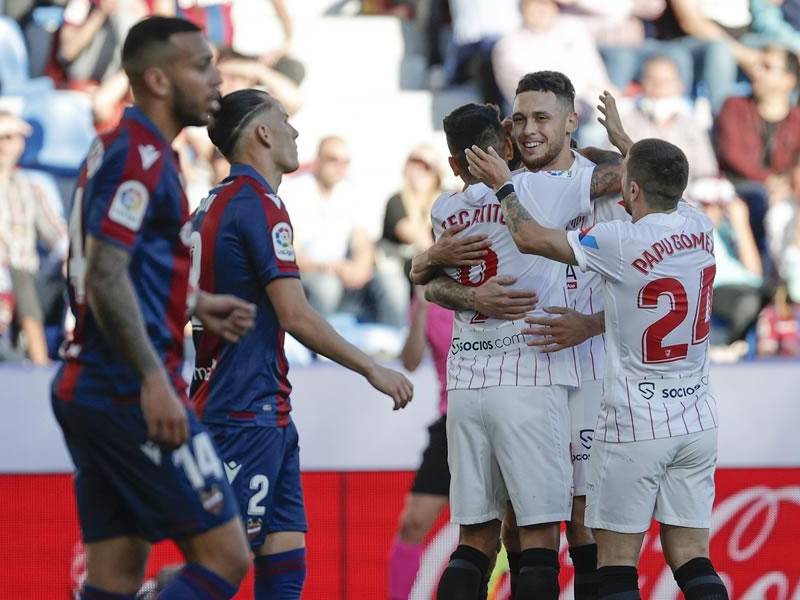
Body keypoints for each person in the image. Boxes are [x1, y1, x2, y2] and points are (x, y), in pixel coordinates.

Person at [465, 127, 727, 599]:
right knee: (691, 553)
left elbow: (528, 237)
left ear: (631, 189)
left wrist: (505, 185)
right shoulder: (700, 225)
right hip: (696, 418)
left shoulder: (618, 240)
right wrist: (630, 145)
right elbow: (663, 181)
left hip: (636, 421)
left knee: (616, 564)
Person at [51, 17, 259, 600]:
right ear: (158, 81)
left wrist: (191, 301)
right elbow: (105, 272)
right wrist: (152, 380)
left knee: (115, 577)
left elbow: (114, 265)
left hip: (90, 383)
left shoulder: (124, 148)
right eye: (201, 66)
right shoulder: (140, 155)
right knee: (224, 558)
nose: (216, 78)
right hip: (126, 385)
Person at [195, 88, 414, 600]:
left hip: (260, 407)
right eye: (286, 121)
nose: (295, 133)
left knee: (285, 563)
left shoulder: (213, 200)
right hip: (242, 410)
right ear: (263, 133)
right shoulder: (259, 205)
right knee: (219, 568)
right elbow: (295, 314)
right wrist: (371, 369)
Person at [413, 72, 624, 600]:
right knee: (535, 536)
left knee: (487, 536)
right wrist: (614, 146)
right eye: (520, 120)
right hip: (533, 374)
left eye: (541, 119)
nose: (530, 130)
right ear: (505, 138)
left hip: (473, 382)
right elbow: (628, 176)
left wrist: (426, 264)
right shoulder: (535, 190)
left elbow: (430, 282)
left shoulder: (445, 208)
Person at [282, 136, 407, 327]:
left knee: (393, 283)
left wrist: (359, 267)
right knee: (327, 287)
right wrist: (330, 267)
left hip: (343, 274)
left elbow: (362, 242)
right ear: (318, 160)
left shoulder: (350, 191)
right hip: (309, 275)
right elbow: (290, 252)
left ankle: (392, 349)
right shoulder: (295, 190)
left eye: (345, 162)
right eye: (333, 159)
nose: (340, 167)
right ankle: (317, 352)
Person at [388, 289, 453, 600]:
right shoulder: (430, 296)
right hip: (450, 421)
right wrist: (423, 306)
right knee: (413, 524)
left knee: (504, 529)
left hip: (501, 416)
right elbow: (410, 361)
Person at [715, 45, 800, 253]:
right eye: (758, 65)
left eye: (767, 67)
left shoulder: (797, 119)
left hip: (783, 191)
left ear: (788, 80)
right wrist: (771, 181)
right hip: (739, 188)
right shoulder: (734, 106)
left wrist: (788, 183)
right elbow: (732, 155)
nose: (756, 71)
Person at [0, 110, 68, 365]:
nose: (5, 145)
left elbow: (55, 232)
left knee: (20, 277)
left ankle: (39, 360)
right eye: (1, 137)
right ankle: (38, 361)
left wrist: (67, 256)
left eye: (11, 138)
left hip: (27, 275)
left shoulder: (32, 187)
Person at [622, 55, 718, 183]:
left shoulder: (691, 125)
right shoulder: (626, 122)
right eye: (653, 80)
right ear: (643, 84)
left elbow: (707, 172)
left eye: (666, 81)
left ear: (679, 85)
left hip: (686, 199)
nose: (659, 86)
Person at [377, 145, 445, 313]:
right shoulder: (396, 200)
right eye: (414, 162)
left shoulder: (446, 199)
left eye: (426, 166)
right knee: (394, 290)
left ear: (436, 173)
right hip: (399, 269)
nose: (418, 170)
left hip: (432, 268)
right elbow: (411, 234)